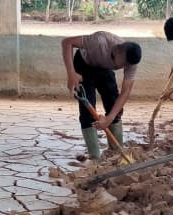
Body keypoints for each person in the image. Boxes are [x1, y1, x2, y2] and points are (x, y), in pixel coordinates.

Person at [61, 32, 143, 160]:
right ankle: (95, 156)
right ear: (117, 51)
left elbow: (125, 91)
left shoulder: (131, 61)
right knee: (87, 112)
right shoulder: (99, 41)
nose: (125, 67)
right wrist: (71, 74)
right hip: (84, 64)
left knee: (114, 105)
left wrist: (109, 119)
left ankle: (116, 152)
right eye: (123, 64)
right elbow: (67, 42)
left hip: (104, 69)